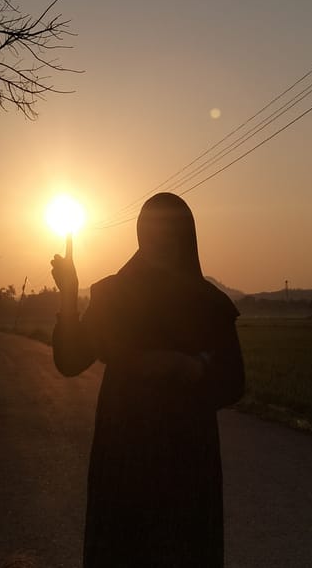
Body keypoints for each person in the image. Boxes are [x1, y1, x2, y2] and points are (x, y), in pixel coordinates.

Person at [51, 192, 245, 568]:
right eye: (151, 229)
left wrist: (194, 369)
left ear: (186, 235)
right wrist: (70, 294)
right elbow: (70, 361)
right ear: (140, 234)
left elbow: (235, 382)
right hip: (123, 459)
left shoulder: (210, 305)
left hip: (189, 464)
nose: (160, 238)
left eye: (170, 229)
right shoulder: (113, 296)